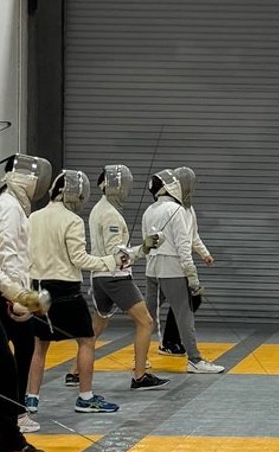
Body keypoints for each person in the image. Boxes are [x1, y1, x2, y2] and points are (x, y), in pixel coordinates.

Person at [0, 154, 49, 452]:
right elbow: (5, 253)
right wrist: (18, 297)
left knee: (14, 351)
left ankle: (12, 413)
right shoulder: (7, 206)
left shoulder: (12, 204)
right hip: (3, 292)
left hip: (11, 289)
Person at [30, 169, 120, 418]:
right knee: (87, 341)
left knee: (39, 345)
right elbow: (79, 259)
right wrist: (111, 262)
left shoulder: (33, 217)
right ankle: (85, 397)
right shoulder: (72, 220)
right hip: (66, 290)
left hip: (37, 288)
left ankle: (32, 399)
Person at [87, 164, 159, 393]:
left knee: (99, 323)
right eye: (125, 185)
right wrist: (144, 248)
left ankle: (74, 371)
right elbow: (117, 257)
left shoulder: (100, 208)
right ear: (114, 187)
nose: (128, 190)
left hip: (99, 277)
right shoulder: (110, 214)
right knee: (146, 322)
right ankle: (140, 376)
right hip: (115, 278)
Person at [158, 165, 226, 370]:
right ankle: (169, 344)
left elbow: (192, 236)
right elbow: (178, 242)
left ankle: (170, 341)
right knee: (179, 303)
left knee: (186, 302)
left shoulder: (188, 208)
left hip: (181, 263)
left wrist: (204, 254)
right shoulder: (171, 209)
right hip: (171, 264)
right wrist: (190, 269)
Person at [142, 171, 203, 372]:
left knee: (147, 316)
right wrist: (192, 277)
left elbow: (146, 245)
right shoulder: (176, 210)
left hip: (152, 269)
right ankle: (195, 360)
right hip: (173, 270)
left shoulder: (149, 210)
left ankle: (139, 360)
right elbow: (183, 247)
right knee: (184, 314)